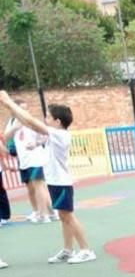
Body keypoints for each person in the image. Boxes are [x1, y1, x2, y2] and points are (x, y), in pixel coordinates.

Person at [0, 93, 95, 264]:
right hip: (55, 180)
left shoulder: (60, 134)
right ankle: (68, 249)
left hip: (61, 181)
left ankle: (86, 250)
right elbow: (31, 124)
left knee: (69, 216)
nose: (45, 119)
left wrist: (8, 103)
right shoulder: (55, 134)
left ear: (58, 122)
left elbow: (30, 122)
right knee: (64, 216)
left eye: (48, 117)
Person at [2, 99, 52, 224]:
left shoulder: (31, 122)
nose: (25, 111)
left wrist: (36, 143)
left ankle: (44, 214)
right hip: (23, 160)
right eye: (22, 108)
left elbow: (46, 136)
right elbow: (5, 138)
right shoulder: (13, 122)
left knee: (39, 186)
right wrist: (14, 128)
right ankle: (38, 211)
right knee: (30, 188)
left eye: (26, 108)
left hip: (35, 159)